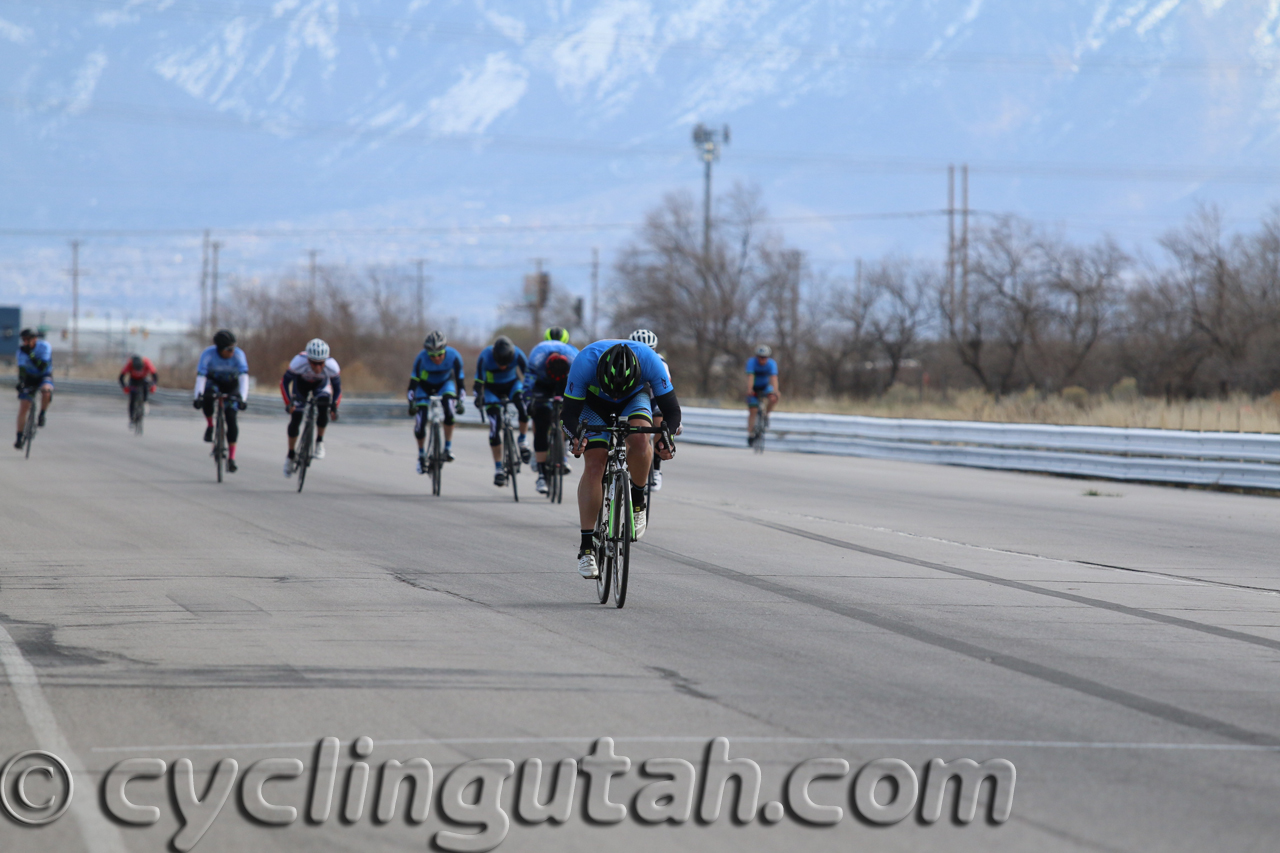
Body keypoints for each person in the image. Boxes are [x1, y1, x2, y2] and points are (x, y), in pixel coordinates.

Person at [562, 340, 681, 579]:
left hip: (634, 397)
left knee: (640, 440)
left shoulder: (651, 361)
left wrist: (665, 439)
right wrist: (576, 438)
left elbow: (672, 411)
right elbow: (568, 415)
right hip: (593, 403)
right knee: (595, 463)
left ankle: (637, 500)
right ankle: (586, 548)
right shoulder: (584, 362)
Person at [525, 326, 578, 494]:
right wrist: (528, 401)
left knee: (566, 413)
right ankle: (541, 474)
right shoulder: (537, 357)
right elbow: (528, 382)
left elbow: (581, 384)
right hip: (542, 382)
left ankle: (561, 451)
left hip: (565, 381)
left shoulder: (574, 357)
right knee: (541, 423)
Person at [474, 335, 531, 487]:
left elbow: (528, 375)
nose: (503, 367)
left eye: (506, 364)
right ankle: (498, 468)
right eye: (500, 363)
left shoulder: (518, 354)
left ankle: (523, 441)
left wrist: (530, 394)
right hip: (492, 390)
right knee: (494, 426)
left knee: (524, 408)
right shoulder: (485, 356)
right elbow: (479, 381)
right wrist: (478, 396)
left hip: (512, 385)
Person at [281, 338, 341, 477]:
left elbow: (338, 389)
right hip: (301, 385)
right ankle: (290, 455)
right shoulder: (298, 362)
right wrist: (288, 403)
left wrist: (334, 407)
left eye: (321, 363)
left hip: (321, 386)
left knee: (323, 407)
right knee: (296, 418)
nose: (317, 367)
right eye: (314, 363)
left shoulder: (332, 366)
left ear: (325, 361)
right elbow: (284, 383)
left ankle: (319, 441)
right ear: (308, 359)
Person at [408, 330, 466, 472]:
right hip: (424, 386)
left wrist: (460, 401)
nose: (437, 358)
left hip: (445, 384)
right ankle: (421, 454)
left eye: (440, 354)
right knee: (420, 421)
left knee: (449, 410)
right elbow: (413, 384)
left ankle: (447, 448)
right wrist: (411, 403)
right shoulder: (421, 358)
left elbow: (461, 383)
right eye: (432, 355)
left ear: (445, 350)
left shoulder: (454, 356)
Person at [194, 329, 250, 472]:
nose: (233, 351)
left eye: (234, 348)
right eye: (229, 349)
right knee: (207, 397)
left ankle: (231, 458)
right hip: (213, 382)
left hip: (231, 384)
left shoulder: (238, 355)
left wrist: (243, 398)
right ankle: (210, 425)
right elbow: (201, 377)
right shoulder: (208, 354)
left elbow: (244, 377)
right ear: (219, 349)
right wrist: (197, 396)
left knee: (231, 417)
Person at [629, 328, 665, 491]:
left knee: (660, 423)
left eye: (649, 350)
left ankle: (656, 468)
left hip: (653, 398)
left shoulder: (661, 364)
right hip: (633, 399)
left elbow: (666, 393)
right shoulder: (624, 359)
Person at [14, 328, 53, 449]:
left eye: (28, 339)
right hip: (30, 377)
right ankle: (19, 437)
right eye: (23, 340)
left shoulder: (44, 347)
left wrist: (30, 354)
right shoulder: (21, 352)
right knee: (24, 406)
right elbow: (22, 370)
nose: (25, 342)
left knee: (46, 391)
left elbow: (42, 366)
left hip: (43, 375)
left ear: (35, 339)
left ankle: (42, 414)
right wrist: (21, 382)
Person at [746, 344, 780, 445]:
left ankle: (766, 414)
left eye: (765, 357)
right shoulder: (751, 362)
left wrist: (775, 391)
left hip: (765, 387)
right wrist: (749, 389)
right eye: (760, 357)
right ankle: (751, 433)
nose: (762, 359)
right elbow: (750, 376)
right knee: (753, 410)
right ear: (757, 357)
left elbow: (774, 378)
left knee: (774, 398)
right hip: (754, 387)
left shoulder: (771, 364)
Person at [118, 354, 158, 424]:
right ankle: (131, 418)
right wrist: (124, 387)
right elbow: (121, 377)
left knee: (146, 388)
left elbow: (155, 376)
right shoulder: (129, 363)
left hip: (143, 379)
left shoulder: (147, 362)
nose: (138, 371)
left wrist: (153, 385)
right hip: (133, 380)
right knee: (132, 399)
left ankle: (145, 402)